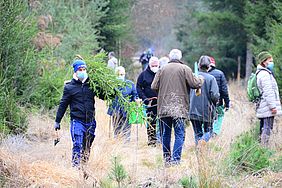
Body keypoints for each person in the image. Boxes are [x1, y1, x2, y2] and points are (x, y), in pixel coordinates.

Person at [151, 49, 204, 165]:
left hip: (164, 108)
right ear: (180, 57)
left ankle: (166, 159)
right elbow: (195, 84)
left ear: (170, 57)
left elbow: (154, 86)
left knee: (166, 133)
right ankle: (175, 160)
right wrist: (201, 78)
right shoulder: (185, 69)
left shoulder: (162, 69)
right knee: (179, 133)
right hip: (179, 108)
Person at [54, 59, 108, 168]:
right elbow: (63, 104)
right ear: (75, 71)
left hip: (91, 122)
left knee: (87, 147)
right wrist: (57, 121)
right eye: (80, 69)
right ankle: (75, 168)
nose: (82, 71)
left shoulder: (91, 85)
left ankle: (84, 166)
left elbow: (104, 96)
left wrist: (109, 90)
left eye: (84, 69)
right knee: (77, 144)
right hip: (77, 121)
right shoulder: (69, 87)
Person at [189, 56, 220, 144]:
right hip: (207, 111)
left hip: (193, 110)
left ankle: (199, 153)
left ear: (199, 65)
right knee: (209, 131)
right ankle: (203, 141)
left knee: (197, 133)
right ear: (209, 66)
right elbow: (215, 95)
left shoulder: (192, 77)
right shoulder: (211, 79)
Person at [256, 51, 281, 146]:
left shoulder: (261, 73)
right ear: (264, 61)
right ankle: (263, 148)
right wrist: (272, 107)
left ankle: (258, 148)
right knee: (267, 127)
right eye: (270, 61)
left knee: (263, 127)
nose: (272, 63)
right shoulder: (265, 74)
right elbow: (268, 92)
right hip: (267, 106)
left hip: (263, 105)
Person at [107, 66, 138, 141]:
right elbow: (108, 96)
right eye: (118, 75)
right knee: (116, 130)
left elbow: (135, 95)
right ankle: (117, 145)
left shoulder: (130, 84)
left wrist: (136, 101)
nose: (120, 76)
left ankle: (126, 147)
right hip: (115, 110)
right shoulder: (111, 84)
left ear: (124, 74)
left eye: (121, 74)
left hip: (126, 110)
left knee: (126, 130)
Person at [137, 56, 160, 146]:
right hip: (149, 103)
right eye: (153, 65)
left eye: (156, 65)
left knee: (162, 122)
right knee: (151, 122)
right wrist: (144, 98)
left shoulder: (161, 73)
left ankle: (161, 140)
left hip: (161, 102)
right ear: (149, 65)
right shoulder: (143, 75)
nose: (155, 67)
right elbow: (138, 87)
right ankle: (152, 141)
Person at [207, 56, 230, 136]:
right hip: (218, 102)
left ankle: (205, 133)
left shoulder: (201, 74)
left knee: (205, 118)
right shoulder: (220, 73)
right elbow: (224, 90)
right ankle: (215, 132)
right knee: (220, 115)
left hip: (205, 103)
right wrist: (227, 103)